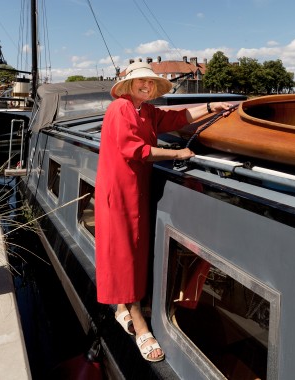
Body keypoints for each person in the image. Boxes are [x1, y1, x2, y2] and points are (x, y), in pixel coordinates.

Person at [95, 61, 232, 362]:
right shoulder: (121, 109)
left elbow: (179, 117)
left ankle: (122, 308)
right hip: (119, 191)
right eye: (141, 82)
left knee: (131, 249)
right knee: (125, 253)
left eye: (150, 83)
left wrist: (212, 106)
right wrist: (178, 153)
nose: (146, 86)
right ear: (129, 85)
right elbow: (137, 151)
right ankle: (139, 323)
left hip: (135, 189)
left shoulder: (145, 111)